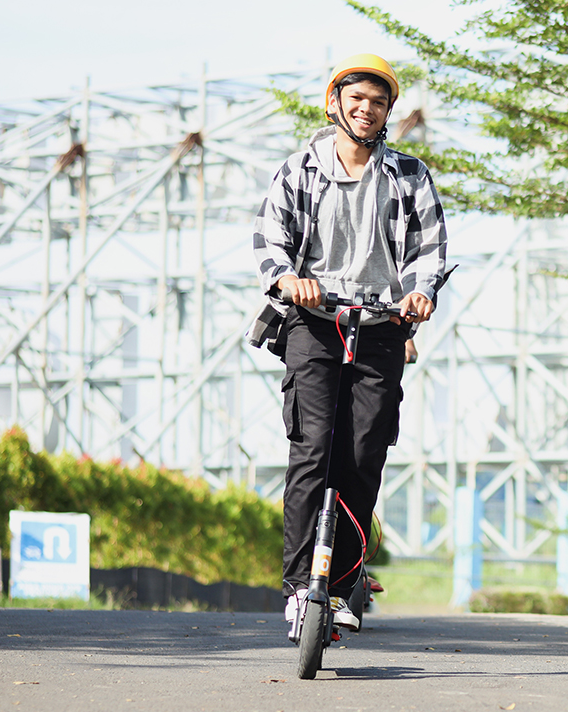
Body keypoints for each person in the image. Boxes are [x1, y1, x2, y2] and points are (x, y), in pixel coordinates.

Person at [247, 53, 449, 632]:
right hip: (314, 322)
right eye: (356, 99)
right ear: (334, 104)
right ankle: (296, 586)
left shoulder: (408, 175)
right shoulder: (299, 170)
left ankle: (339, 586)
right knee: (312, 450)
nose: (366, 110)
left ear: (388, 112)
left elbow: (428, 249)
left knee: (364, 454)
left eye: (378, 102)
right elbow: (269, 237)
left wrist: (420, 293)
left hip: (383, 325)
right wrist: (287, 278)